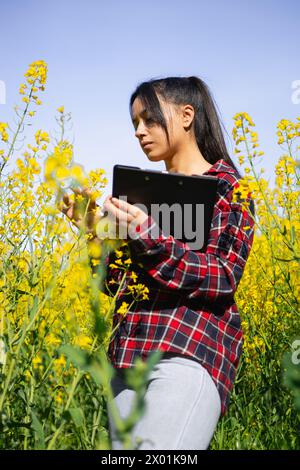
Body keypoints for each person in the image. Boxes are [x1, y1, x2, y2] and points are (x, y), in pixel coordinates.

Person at [60, 76, 255, 450]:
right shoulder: (143, 194)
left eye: (149, 119)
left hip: (184, 356)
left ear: (186, 116)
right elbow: (116, 284)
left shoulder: (229, 188)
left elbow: (222, 276)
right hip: (127, 361)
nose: (139, 131)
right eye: (135, 122)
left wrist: (147, 233)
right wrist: (94, 231)